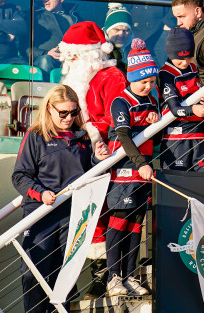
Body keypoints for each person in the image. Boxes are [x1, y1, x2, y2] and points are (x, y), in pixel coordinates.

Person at [12, 84, 110, 312]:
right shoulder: (35, 136)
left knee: (64, 279)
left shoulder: (83, 138)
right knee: (32, 275)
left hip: (73, 216)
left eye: (73, 112)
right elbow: (19, 176)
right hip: (40, 214)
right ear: (49, 108)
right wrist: (40, 193)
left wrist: (97, 160)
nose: (68, 117)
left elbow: (88, 177)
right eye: (63, 112)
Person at [59, 21, 128, 292]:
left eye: (74, 54)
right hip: (77, 156)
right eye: (68, 55)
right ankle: (97, 274)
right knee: (87, 215)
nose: (70, 60)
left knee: (105, 212)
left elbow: (115, 120)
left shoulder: (111, 77)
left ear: (90, 53)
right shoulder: (75, 79)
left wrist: (90, 130)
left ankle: (109, 274)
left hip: (105, 156)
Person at [104, 38, 160, 296]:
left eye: (151, 81)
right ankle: (113, 277)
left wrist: (156, 122)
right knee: (119, 220)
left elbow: (157, 139)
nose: (147, 86)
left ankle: (129, 275)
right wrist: (141, 163)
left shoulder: (152, 100)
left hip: (142, 172)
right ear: (130, 79)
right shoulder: (121, 101)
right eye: (142, 81)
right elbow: (124, 136)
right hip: (125, 171)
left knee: (137, 222)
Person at [158, 28, 204, 170]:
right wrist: (193, 109)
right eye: (180, 58)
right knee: (178, 182)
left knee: (202, 178)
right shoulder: (166, 73)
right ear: (170, 53)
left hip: (198, 134)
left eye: (189, 57)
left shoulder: (193, 67)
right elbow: (174, 109)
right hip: (176, 138)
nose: (185, 62)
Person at [25, 0, 74, 74]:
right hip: (43, 61)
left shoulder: (74, 18)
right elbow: (25, 48)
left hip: (68, 60)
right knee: (46, 60)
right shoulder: (34, 16)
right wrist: (46, 53)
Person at [103, 2, 133, 73]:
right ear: (108, 30)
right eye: (116, 29)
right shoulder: (96, 51)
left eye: (126, 30)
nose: (121, 34)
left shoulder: (137, 51)